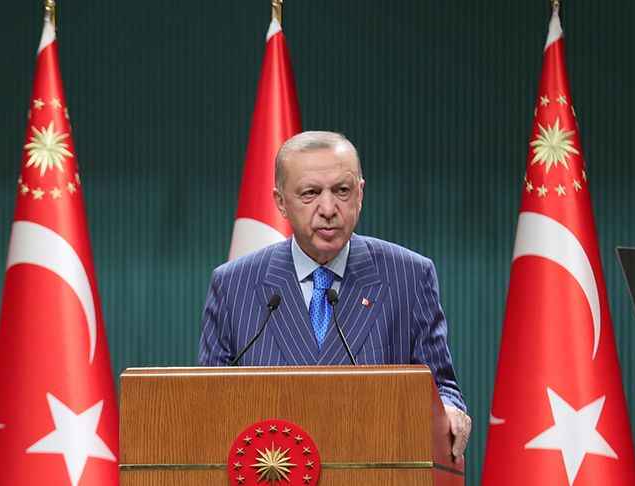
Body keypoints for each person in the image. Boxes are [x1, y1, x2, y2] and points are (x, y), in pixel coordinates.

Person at [199, 131, 471, 466]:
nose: (328, 209)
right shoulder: (234, 285)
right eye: (310, 193)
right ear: (280, 202)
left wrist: (450, 410)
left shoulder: (409, 276)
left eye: (342, 191)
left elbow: (441, 386)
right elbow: (207, 403)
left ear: (360, 193)